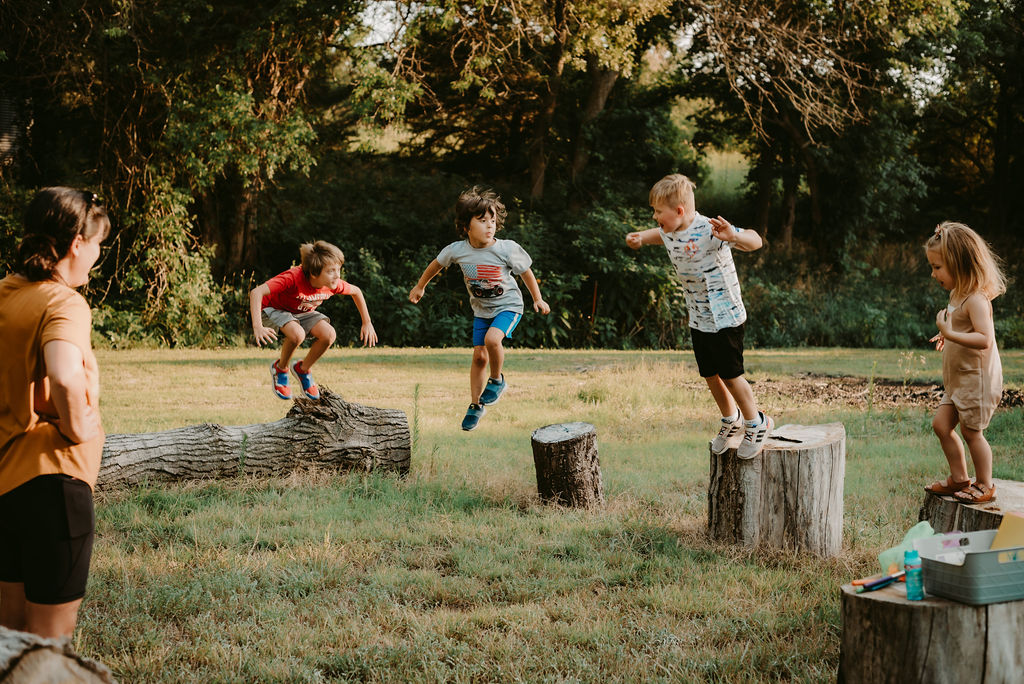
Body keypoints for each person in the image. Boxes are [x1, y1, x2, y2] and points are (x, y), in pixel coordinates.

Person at [0, 187, 109, 640]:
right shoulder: (63, 302)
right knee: (48, 644)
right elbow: (64, 376)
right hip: (54, 486)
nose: (98, 255)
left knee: (9, 638)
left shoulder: (6, 292)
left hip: (6, 483)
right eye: (97, 243)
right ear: (76, 243)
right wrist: (82, 426)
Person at [626, 173, 773, 458]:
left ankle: (757, 423)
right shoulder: (670, 230)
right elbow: (661, 235)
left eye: (658, 212)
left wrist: (734, 236)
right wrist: (641, 238)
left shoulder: (710, 228)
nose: (655, 217)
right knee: (710, 373)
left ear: (679, 211)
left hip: (726, 315)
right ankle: (732, 420)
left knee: (732, 375)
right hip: (699, 317)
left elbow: (755, 241)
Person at [409, 186, 550, 431]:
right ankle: (475, 405)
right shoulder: (457, 250)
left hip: (509, 306)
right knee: (478, 355)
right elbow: (436, 265)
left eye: (492, 221)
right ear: (466, 226)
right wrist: (420, 286)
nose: (489, 226)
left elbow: (526, 272)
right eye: (482, 220)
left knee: (493, 340)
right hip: (481, 311)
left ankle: (497, 380)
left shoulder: (505, 248)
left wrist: (537, 299)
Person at [923, 221, 1005, 504]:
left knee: (972, 432)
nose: (933, 274)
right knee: (940, 425)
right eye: (932, 267)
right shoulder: (956, 295)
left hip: (977, 382)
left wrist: (950, 332)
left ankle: (985, 484)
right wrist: (948, 334)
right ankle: (959, 477)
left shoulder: (976, 300)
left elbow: (984, 339)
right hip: (957, 382)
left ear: (959, 263)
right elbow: (962, 329)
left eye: (937, 267)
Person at [249, 240, 377, 400]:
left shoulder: (333, 284)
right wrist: (257, 326)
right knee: (297, 335)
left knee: (329, 334)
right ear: (314, 274)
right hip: (273, 309)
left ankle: (302, 369)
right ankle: (280, 369)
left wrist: (367, 322)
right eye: (331, 271)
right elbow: (256, 292)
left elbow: (356, 291)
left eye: (339, 269)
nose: (337, 275)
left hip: (301, 311)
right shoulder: (293, 278)